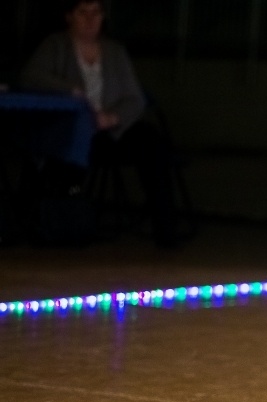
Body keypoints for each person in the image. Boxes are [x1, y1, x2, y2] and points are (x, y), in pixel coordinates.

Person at [19, 0, 178, 247]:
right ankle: (62, 224)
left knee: (150, 141)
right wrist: (71, 90)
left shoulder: (115, 52)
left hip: (110, 131)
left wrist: (112, 117)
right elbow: (31, 77)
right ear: (69, 16)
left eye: (97, 12)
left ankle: (166, 229)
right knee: (58, 149)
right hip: (72, 129)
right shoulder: (56, 46)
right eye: (84, 12)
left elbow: (134, 98)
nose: (91, 19)